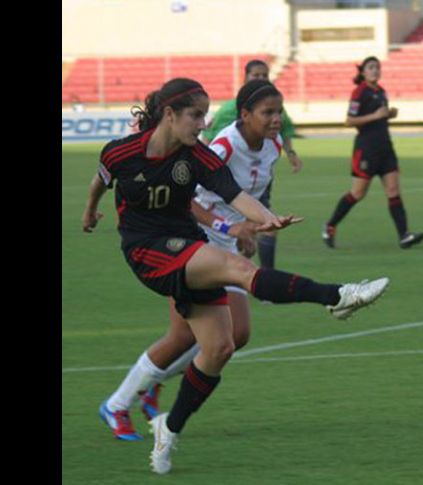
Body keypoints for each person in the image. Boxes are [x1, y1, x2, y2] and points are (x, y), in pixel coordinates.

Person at [83, 78, 389, 474]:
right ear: (170, 114)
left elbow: (235, 194)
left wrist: (266, 218)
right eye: (196, 116)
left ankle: (168, 429)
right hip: (148, 249)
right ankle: (339, 296)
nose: (203, 123)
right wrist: (90, 212)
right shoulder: (123, 151)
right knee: (240, 271)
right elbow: (101, 180)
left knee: (220, 347)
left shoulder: (197, 155)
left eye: (205, 115)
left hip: (188, 242)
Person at [202, 59, 301, 269]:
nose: (277, 119)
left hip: (233, 232)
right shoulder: (224, 148)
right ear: (245, 115)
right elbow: (187, 201)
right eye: (268, 113)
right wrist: (228, 228)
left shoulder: (274, 143)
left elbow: (249, 193)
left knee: (245, 285)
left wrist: (248, 228)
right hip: (204, 233)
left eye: (279, 112)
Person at [322, 56, 423, 250]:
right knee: (358, 193)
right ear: (363, 72)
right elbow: (349, 121)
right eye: (370, 67)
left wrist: (389, 115)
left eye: (377, 67)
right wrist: (376, 115)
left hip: (385, 148)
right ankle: (330, 225)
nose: (375, 70)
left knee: (393, 191)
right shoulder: (359, 92)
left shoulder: (381, 91)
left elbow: (379, 120)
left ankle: (404, 235)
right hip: (366, 150)